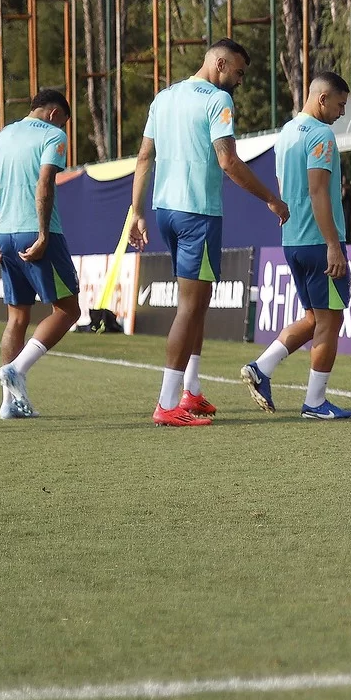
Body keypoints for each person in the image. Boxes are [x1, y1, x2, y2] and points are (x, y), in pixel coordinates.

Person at [126, 39, 287, 427]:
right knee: (190, 305)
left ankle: (191, 390)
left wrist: (137, 212)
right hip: (197, 213)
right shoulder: (217, 101)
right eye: (239, 72)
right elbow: (228, 160)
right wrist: (270, 198)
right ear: (219, 63)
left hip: (165, 210)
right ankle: (167, 404)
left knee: (198, 301)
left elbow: (145, 156)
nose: (241, 81)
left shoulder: (164, 98)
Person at [241, 72, 351, 419]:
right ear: (322, 99)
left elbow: (283, 184)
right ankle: (315, 403)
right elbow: (318, 191)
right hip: (318, 241)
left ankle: (261, 367)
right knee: (330, 320)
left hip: (292, 240)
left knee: (313, 317)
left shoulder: (287, 133)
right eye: (339, 105)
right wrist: (333, 245)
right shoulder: (321, 135)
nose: (341, 113)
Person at [0, 89, 81, 419]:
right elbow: (45, 183)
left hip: (6, 234)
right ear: (55, 114)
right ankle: (18, 368)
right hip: (38, 232)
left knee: (17, 317)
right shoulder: (54, 134)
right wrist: (43, 234)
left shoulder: (1, 138)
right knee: (68, 309)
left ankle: (9, 403)